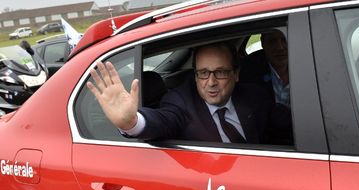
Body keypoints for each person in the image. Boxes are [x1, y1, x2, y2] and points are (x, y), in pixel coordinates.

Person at [87, 41, 291, 143]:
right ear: (195, 76)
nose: (210, 82)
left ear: (236, 74)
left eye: (219, 72)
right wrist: (132, 122)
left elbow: (292, 124)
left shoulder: (255, 96)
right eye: (203, 73)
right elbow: (163, 120)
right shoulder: (180, 102)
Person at [240, 29, 289, 107]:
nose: (280, 47)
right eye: (272, 41)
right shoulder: (250, 72)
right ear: (263, 44)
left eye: (284, 40)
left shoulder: (307, 64)